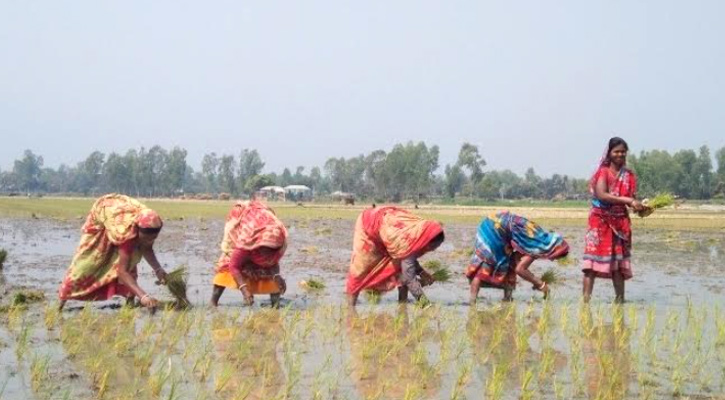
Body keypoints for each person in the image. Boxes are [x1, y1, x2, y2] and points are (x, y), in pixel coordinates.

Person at [58, 194, 168, 310]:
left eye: (153, 238)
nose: (149, 241)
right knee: (85, 265)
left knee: (132, 259)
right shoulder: (127, 233)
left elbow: (146, 248)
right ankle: (60, 305)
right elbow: (122, 272)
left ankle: (129, 304)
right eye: (145, 238)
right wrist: (144, 296)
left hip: (118, 217)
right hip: (101, 213)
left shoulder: (149, 225)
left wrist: (158, 270)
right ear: (137, 230)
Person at [582, 137, 645, 303]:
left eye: (623, 151)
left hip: (620, 223)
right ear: (609, 153)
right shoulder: (603, 172)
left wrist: (641, 208)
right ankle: (586, 303)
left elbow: (632, 200)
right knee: (591, 266)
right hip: (600, 221)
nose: (620, 154)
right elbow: (602, 194)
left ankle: (620, 302)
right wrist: (629, 201)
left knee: (618, 266)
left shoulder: (629, 175)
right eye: (616, 151)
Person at [346, 206, 444, 307]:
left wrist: (422, 273)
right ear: (426, 241)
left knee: (401, 268)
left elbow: (409, 258)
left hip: (388, 228)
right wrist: (425, 304)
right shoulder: (405, 242)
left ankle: (402, 305)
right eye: (431, 247)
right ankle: (350, 308)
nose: (431, 250)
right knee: (359, 269)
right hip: (368, 226)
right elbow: (409, 276)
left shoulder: (419, 230)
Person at [466, 211, 569, 303]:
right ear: (554, 249)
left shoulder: (542, 238)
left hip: (495, 223)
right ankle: (472, 301)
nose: (552, 259)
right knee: (487, 263)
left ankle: (507, 299)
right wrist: (540, 284)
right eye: (555, 257)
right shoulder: (538, 246)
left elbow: (516, 259)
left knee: (509, 263)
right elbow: (520, 269)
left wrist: (534, 281)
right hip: (493, 229)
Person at [211, 201, 287, 307]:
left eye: (271, 250)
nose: (268, 255)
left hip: (261, 223)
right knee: (226, 269)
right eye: (265, 250)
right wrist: (244, 289)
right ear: (258, 244)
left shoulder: (276, 240)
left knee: (271, 275)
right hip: (242, 232)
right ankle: (213, 303)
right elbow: (234, 266)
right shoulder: (246, 241)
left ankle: (275, 306)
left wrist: (277, 276)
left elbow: (273, 261)